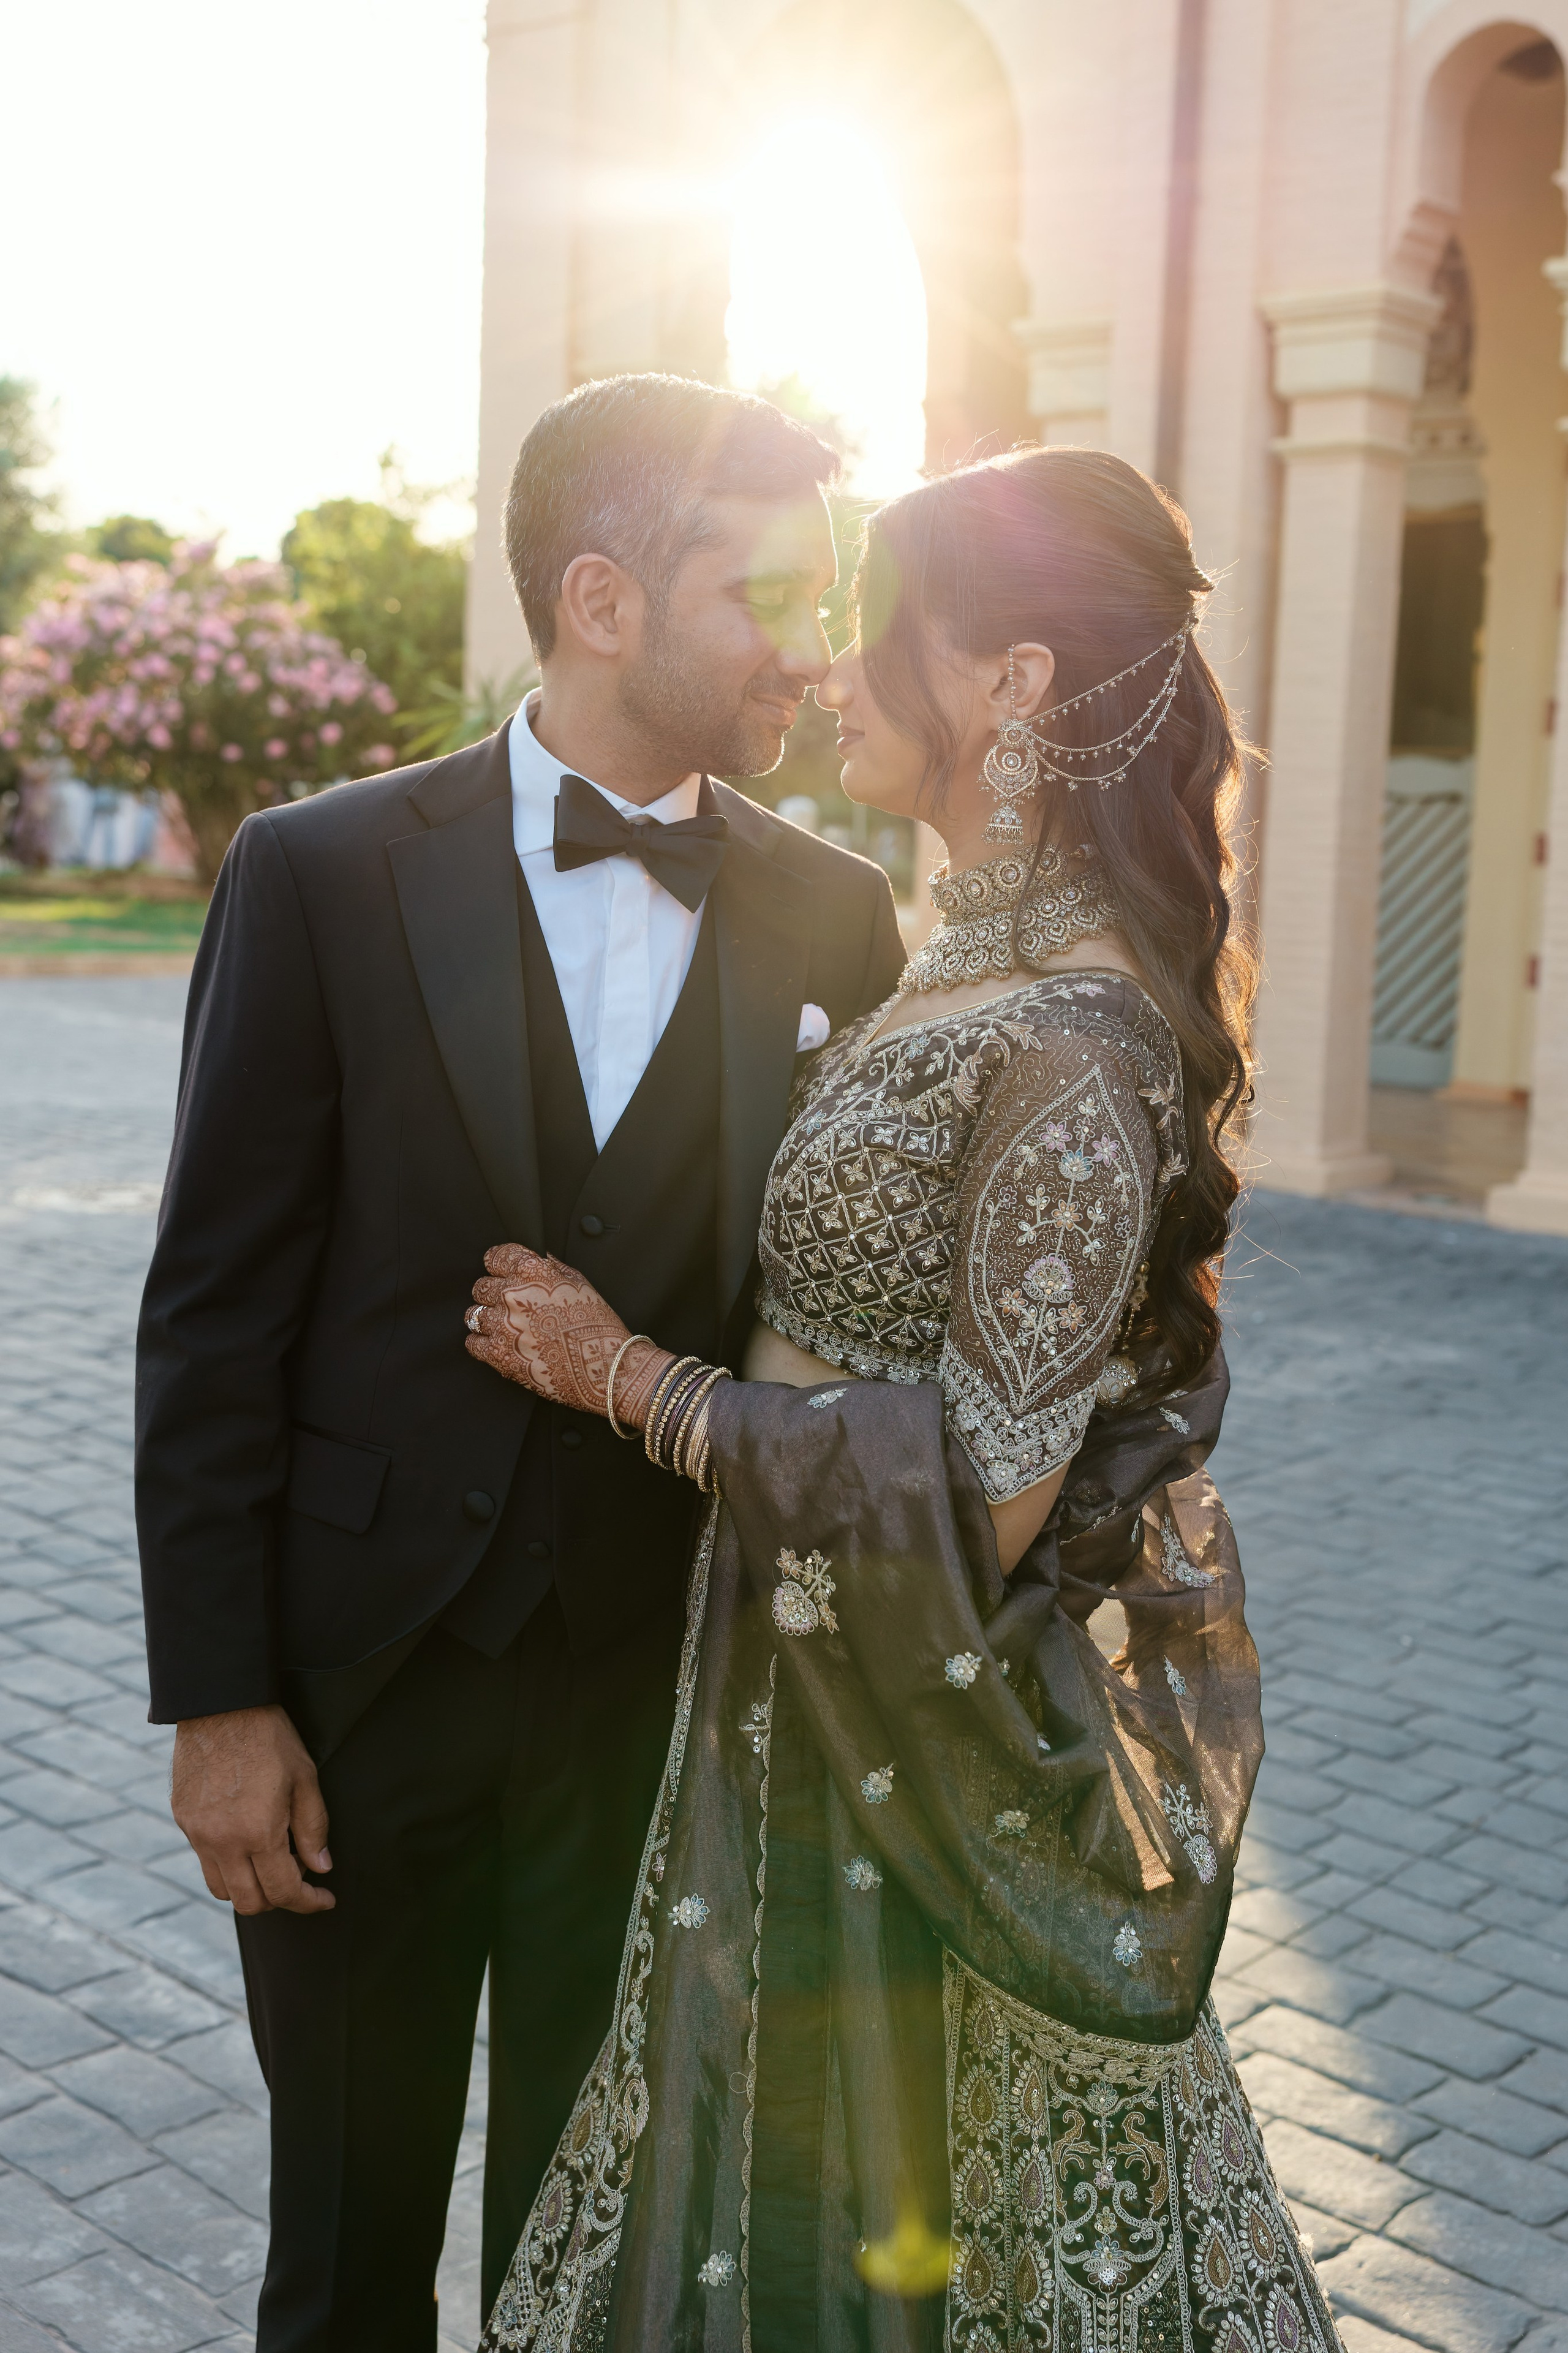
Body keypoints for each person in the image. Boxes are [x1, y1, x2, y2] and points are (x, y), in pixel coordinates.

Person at [464, 446, 1343, 2353]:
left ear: (1013, 680)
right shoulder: (963, 953)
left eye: (876, 632)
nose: (834, 676)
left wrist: (630, 1381)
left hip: (909, 1745)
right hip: (784, 1680)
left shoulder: (1082, 1032)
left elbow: (980, 1503)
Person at [134, 374, 906, 2347]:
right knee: (344, 2265)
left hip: (656, 1720)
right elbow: (215, 1304)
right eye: (768, 595)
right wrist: (221, 1703)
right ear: (604, 599)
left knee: (600, 2277)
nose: (808, 650)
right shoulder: (321, 871)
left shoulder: (840, 916)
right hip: (359, 1699)